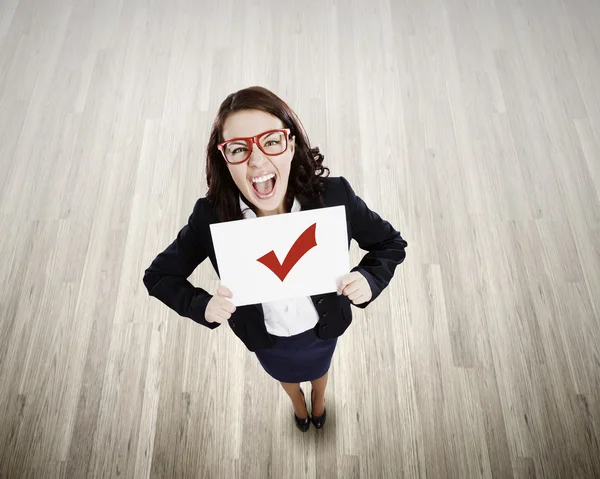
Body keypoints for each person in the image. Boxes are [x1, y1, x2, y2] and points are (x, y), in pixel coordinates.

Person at [143, 86, 408, 432]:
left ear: (291, 144)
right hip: (266, 340)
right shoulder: (210, 218)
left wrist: (369, 279)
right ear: (225, 159)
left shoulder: (335, 197)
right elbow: (159, 276)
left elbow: (390, 243)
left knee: (320, 371)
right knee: (285, 377)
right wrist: (203, 305)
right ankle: (298, 404)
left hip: (323, 330)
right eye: (239, 149)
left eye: (271, 141)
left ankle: (318, 399)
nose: (257, 160)